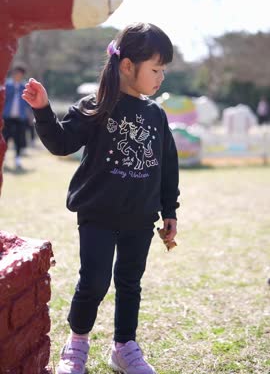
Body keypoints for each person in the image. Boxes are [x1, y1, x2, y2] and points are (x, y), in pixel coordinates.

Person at [22, 22, 180, 374]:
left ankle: (124, 347)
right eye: (155, 69)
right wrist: (44, 110)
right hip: (97, 214)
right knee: (94, 280)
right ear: (127, 66)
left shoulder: (156, 115)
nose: (161, 77)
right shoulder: (96, 107)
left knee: (129, 282)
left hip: (141, 218)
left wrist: (170, 211)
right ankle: (76, 343)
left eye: (163, 70)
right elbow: (61, 143)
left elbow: (168, 167)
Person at [3, 65, 29, 169]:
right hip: (6, 118)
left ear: (22, 75)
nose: (16, 75)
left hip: (20, 118)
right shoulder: (6, 85)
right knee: (4, 139)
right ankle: (3, 159)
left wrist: (30, 116)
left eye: (19, 73)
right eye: (15, 73)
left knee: (19, 139)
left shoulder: (25, 87)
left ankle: (17, 159)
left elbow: (28, 104)